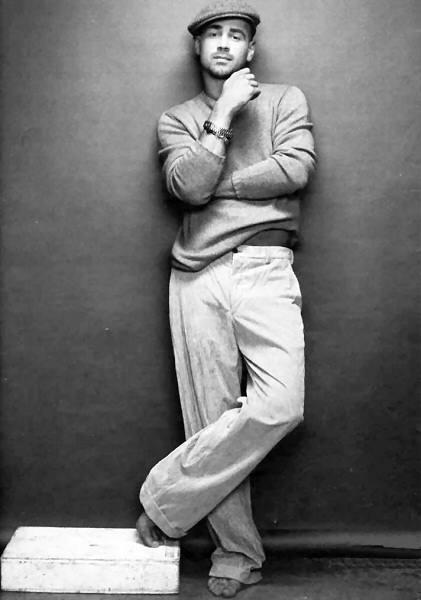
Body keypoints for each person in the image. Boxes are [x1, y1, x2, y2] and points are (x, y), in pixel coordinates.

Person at [137, 1, 316, 596]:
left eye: (235, 35)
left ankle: (164, 498)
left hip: (267, 269)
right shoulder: (177, 118)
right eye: (212, 34)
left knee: (280, 405)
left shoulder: (285, 100)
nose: (223, 43)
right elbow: (188, 187)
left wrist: (221, 184)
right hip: (198, 275)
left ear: (250, 49)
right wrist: (224, 114)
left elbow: (295, 169)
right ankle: (237, 553)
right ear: (197, 47)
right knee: (212, 418)